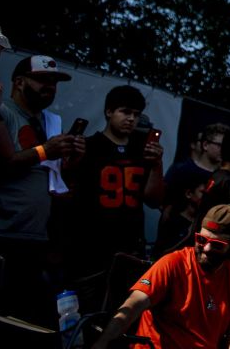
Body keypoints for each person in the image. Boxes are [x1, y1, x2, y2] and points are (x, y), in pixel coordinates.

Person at [0, 54, 85, 326]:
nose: (49, 87)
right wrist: (47, 150)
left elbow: (49, 179)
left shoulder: (51, 123)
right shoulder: (1, 112)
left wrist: (71, 161)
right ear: (19, 82)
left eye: (54, 82)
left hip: (33, 238)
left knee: (16, 320)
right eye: (41, 80)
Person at [90, 204, 230, 349]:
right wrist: (102, 343)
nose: (206, 248)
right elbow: (133, 305)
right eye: (201, 239)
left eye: (217, 244)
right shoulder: (173, 263)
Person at [64, 86, 164, 292]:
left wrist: (156, 165)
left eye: (136, 115)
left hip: (129, 245)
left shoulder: (142, 152)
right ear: (109, 111)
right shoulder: (89, 146)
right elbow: (65, 189)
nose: (131, 119)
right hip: (90, 243)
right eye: (125, 112)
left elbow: (154, 200)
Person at [162, 122, 229, 218]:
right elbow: (166, 204)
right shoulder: (182, 170)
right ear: (205, 145)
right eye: (220, 145)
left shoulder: (223, 178)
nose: (224, 150)